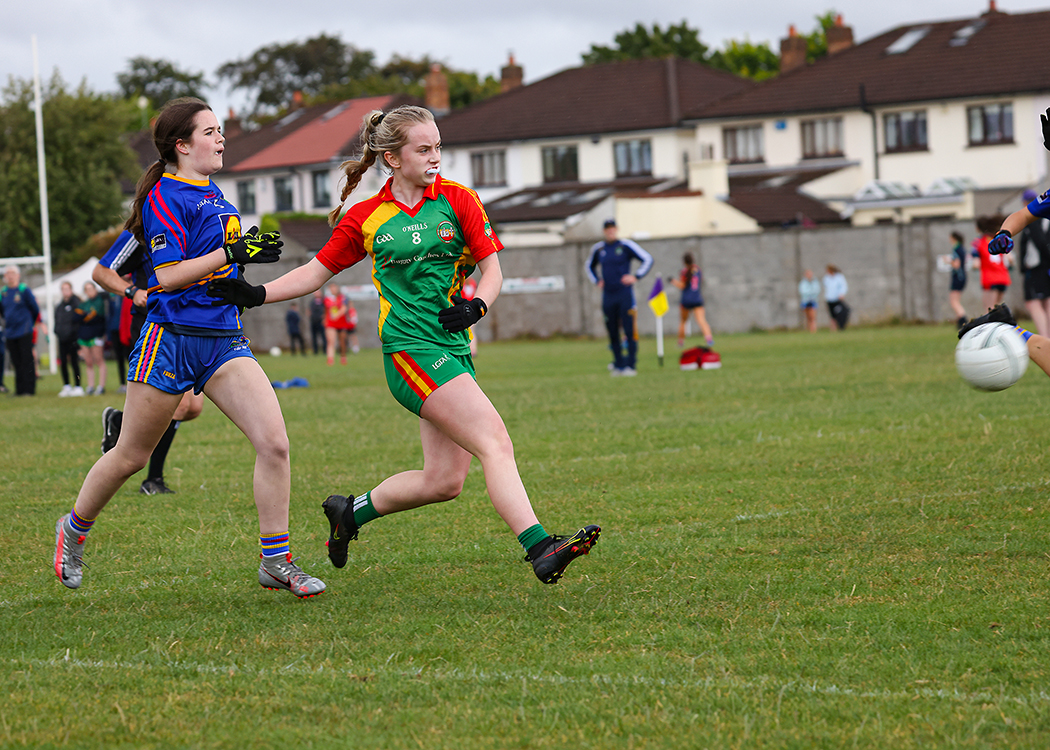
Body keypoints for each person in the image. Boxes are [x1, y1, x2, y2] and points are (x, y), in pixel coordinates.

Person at [206, 104, 600, 585]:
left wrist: (478, 307)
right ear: (392, 158)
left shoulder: (459, 200)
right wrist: (258, 293)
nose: (435, 157)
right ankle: (541, 547)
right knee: (495, 442)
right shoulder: (367, 216)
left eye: (438, 147)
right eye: (423, 149)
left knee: (444, 482)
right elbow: (315, 272)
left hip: (452, 348)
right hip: (410, 351)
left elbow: (492, 270)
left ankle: (349, 514)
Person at [53, 97, 325, 598]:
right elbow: (169, 276)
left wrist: (242, 276)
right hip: (170, 339)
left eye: (221, 130)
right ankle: (72, 531)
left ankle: (277, 562)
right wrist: (231, 251)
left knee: (275, 444)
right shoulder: (163, 196)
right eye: (210, 132)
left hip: (223, 339)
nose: (221, 138)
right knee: (131, 456)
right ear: (182, 145)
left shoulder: (218, 196)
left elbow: (218, 268)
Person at [92, 228, 206, 496]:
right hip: (153, 325)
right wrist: (131, 291)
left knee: (192, 408)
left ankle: (120, 422)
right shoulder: (141, 230)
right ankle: (153, 480)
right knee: (181, 405)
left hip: (188, 324)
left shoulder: (191, 225)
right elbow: (101, 272)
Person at [585, 218, 653, 376]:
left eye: (612, 228)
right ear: (604, 231)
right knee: (612, 330)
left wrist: (636, 276)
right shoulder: (599, 248)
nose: (610, 231)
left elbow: (647, 259)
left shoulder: (625, 245)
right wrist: (597, 280)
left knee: (629, 330)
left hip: (624, 294)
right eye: (607, 229)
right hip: (608, 295)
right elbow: (589, 266)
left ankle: (631, 364)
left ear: (617, 229)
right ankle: (618, 364)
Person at [1, 265, 40, 396]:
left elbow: (35, 308)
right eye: (7, 274)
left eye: (12, 273)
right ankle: (19, 389)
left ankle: (29, 389)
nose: (10, 276)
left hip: (24, 330)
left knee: (26, 360)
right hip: (10, 332)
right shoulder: (3, 292)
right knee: (16, 361)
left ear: (18, 275)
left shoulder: (24, 290)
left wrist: (28, 322)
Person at [1016, 190, 1050, 337]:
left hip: (1038, 268)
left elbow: (1041, 242)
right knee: (1046, 301)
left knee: (1033, 303)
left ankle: (1045, 339)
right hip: (1044, 266)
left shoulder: (1034, 218)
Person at [670, 252, 713, 348]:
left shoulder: (684, 272)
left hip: (686, 300)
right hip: (697, 298)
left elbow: (682, 286)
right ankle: (709, 339)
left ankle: (680, 342)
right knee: (702, 320)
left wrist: (673, 281)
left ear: (684, 262)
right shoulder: (698, 270)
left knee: (683, 321)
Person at [973, 216, 1013, 312]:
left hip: (990, 279)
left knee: (989, 309)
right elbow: (1010, 259)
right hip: (1003, 278)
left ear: (978, 229)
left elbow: (976, 264)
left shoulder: (978, 242)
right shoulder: (998, 240)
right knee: (997, 307)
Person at [54, 281, 85, 397]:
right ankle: (66, 385)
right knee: (63, 362)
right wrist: (57, 331)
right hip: (62, 338)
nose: (65, 291)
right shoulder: (59, 306)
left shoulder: (77, 303)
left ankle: (78, 385)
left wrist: (74, 334)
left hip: (73, 338)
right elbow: (57, 321)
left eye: (67, 289)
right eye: (63, 289)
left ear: (71, 290)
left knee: (74, 361)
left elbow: (79, 321)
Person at [77, 281, 107, 395]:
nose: (89, 291)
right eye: (87, 289)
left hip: (96, 335)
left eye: (91, 289)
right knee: (88, 361)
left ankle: (101, 386)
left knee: (98, 359)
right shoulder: (84, 304)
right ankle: (90, 386)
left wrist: (85, 316)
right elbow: (78, 317)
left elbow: (94, 317)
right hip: (85, 335)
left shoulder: (100, 302)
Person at [323, 283, 352, 365]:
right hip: (330, 323)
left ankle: (343, 357)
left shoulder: (343, 298)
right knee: (331, 341)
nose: (333, 289)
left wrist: (337, 315)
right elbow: (326, 310)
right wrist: (325, 319)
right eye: (331, 288)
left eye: (334, 288)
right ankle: (330, 359)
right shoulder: (327, 299)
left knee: (342, 341)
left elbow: (344, 308)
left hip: (342, 322)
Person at [947, 231, 968, 330]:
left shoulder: (957, 249)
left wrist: (948, 261)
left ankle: (963, 319)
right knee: (956, 300)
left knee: (953, 301)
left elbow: (956, 265)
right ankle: (960, 320)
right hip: (962, 277)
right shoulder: (962, 249)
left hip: (958, 277)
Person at [822, 264, 849, 331]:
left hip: (837, 299)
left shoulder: (839, 277)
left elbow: (843, 286)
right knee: (832, 315)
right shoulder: (826, 278)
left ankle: (841, 326)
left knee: (841, 312)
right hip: (829, 299)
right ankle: (833, 328)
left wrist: (842, 294)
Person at [797, 268, 821, 333]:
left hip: (813, 300)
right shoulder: (803, 282)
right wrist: (810, 293)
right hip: (805, 301)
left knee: (813, 316)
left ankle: (813, 330)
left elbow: (817, 290)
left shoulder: (815, 282)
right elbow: (802, 291)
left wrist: (811, 293)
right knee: (808, 316)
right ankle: (809, 329)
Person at [308, 288, 326, 355]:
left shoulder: (324, 301)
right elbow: (309, 310)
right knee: (314, 337)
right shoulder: (312, 301)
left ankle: (325, 350)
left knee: (323, 336)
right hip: (314, 321)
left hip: (321, 322)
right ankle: (315, 351)